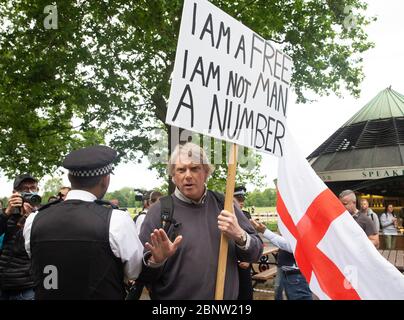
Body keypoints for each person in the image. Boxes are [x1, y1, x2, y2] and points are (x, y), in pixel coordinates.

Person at [23, 145, 178, 300]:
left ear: (70, 178)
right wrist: (156, 259)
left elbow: (37, 260)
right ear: (105, 179)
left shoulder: (34, 219)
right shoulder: (117, 220)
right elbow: (134, 272)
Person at [138, 142, 263, 299]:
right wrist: (156, 260)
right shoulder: (159, 211)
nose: (188, 175)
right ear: (173, 177)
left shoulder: (225, 204)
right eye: (181, 170)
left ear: (206, 172)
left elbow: (255, 253)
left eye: (195, 168)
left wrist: (239, 235)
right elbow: (141, 272)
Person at [0, 174, 41, 300]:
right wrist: (7, 213)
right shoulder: (7, 214)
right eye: (24, 189)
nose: (29, 192)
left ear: (37, 191)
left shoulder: (41, 215)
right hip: (3, 284)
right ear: (15, 193)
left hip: (26, 286)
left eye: (33, 188)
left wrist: (31, 217)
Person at [250, 219, 313, 300]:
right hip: (290, 271)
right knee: (279, 289)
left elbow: (291, 246)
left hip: (296, 274)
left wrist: (265, 231)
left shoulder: (303, 224)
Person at [233, 185, 253, 300]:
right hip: (228, 263)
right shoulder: (221, 214)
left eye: (242, 200)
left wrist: (248, 259)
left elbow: (252, 240)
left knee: (245, 294)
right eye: (238, 200)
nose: (242, 203)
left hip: (244, 263)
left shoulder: (245, 215)